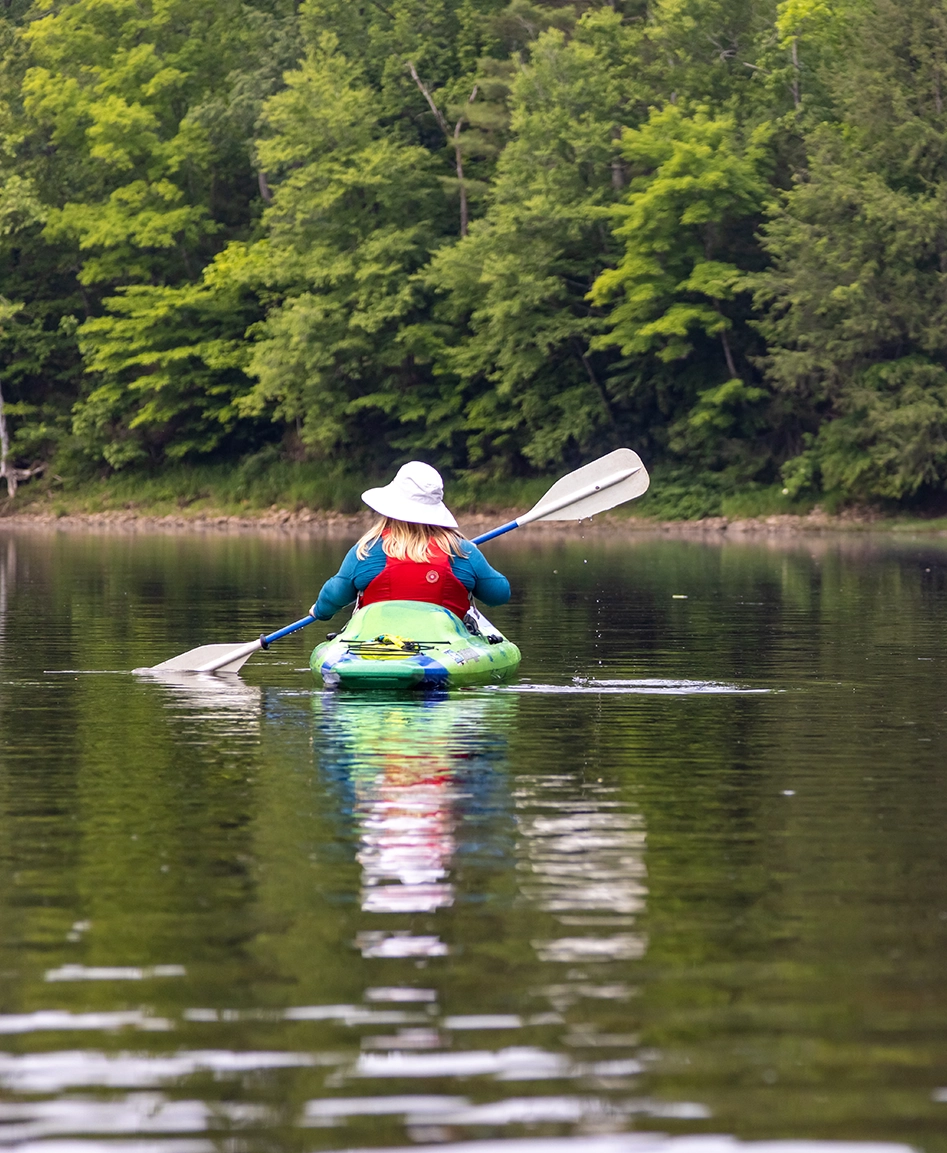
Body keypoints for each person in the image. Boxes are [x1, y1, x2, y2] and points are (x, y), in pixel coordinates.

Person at [309, 461, 510, 621]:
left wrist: (320, 611)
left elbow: (334, 594)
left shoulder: (365, 551)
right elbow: (499, 594)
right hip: (444, 647)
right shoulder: (462, 551)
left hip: (377, 645)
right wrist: (473, 556)